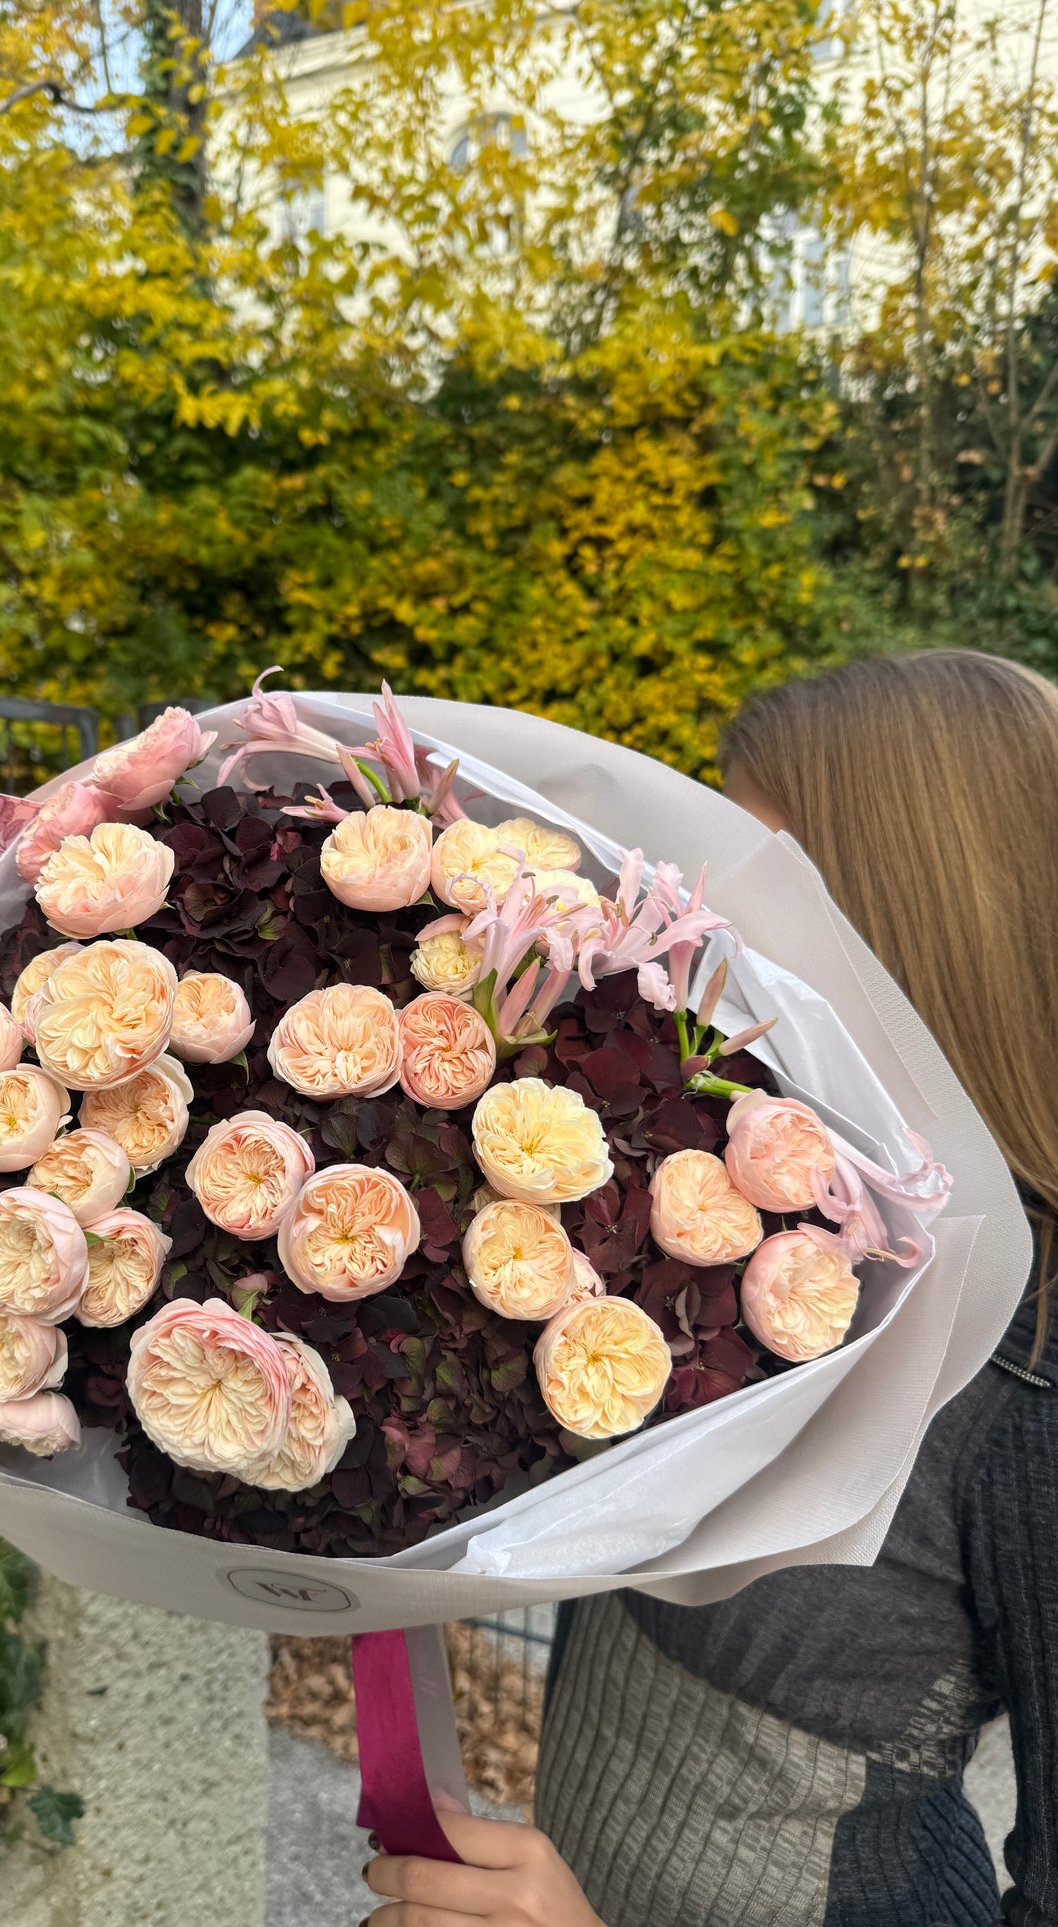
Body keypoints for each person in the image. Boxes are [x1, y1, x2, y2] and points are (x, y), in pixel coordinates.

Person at [359, 649, 1058, 1927]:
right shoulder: (730, 1209)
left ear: (910, 923)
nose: (690, 932)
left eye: (748, 889)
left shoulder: (1029, 1377)